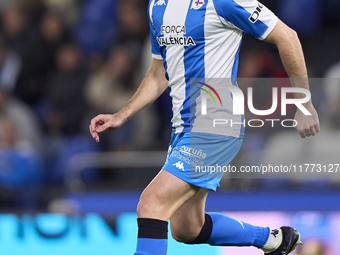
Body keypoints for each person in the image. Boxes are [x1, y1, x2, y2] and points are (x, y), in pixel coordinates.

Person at [89, 0, 320, 254]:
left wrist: (304, 103)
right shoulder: (157, 5)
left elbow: (288, 36)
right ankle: (273, 239)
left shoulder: (224, 2)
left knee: (151, 203)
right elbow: (159, 73)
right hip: (182, 129)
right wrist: (121, 116)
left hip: (215, 124)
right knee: (186, 228)